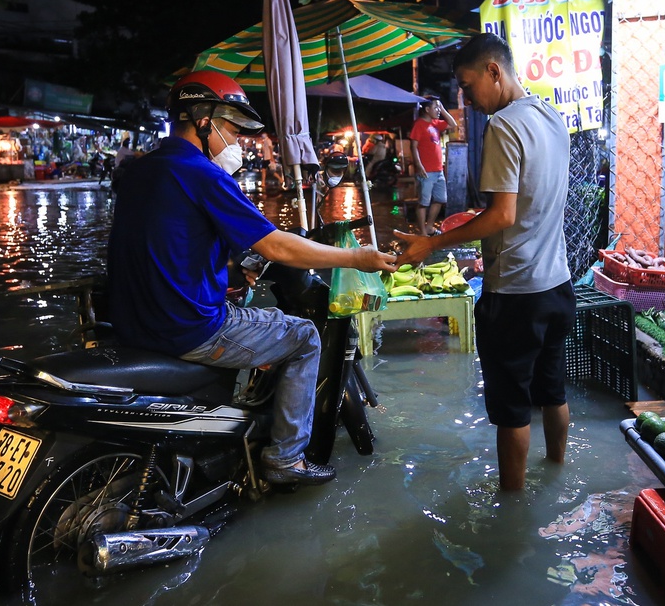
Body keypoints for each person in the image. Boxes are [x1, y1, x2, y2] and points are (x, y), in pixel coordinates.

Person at [107, 70, 396, 485]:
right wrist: (356, 256)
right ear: (204, 120)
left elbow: (170, 237)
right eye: (231, 128)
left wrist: (232, 266)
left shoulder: (140, 170)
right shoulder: (202, 174)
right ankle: (286, 459)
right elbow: (276, 246)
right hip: (186, 327)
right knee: (303, 337)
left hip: (133, 322)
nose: (237, 140)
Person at [394, 33, 575, 492]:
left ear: (494, 71)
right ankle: (557, 472)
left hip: (516, 292)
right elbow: (530, 204)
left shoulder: (504, 126)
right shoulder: (551, 115)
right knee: (552, 390)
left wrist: (431, 244)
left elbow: (503, 215)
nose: (467, 100)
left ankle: (511, 510)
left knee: (512, 408)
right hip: (558, 284)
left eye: (468, 85)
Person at [409, 94, 457, 236]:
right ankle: (423, 232)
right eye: (435, 107)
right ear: (427, 109)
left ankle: (429, 227)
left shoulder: (435, 124)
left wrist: (442, 109)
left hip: (438, 171)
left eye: (438, 107)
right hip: (426, 171)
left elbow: (453, 124)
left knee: (441, 199)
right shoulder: (419, 124)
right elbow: (413, 146)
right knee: (424, 202)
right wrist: (419, 165)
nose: (438, 110)